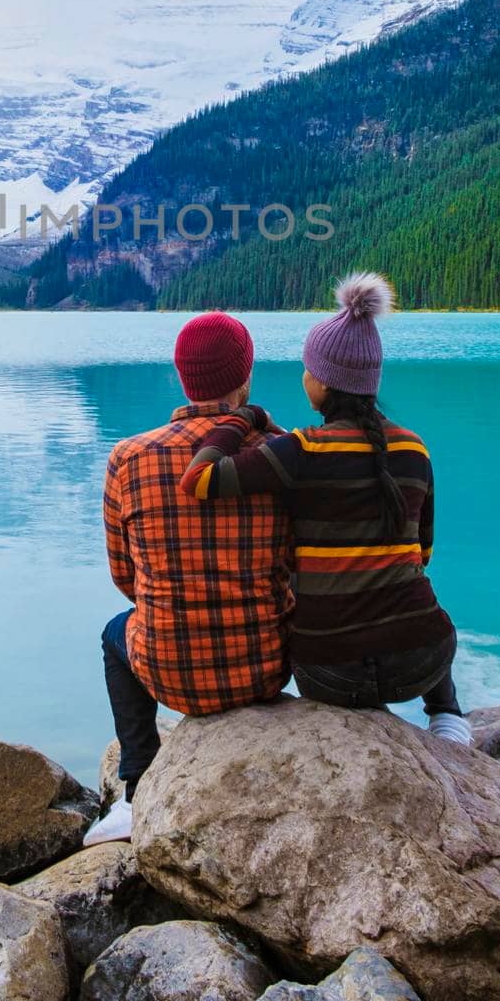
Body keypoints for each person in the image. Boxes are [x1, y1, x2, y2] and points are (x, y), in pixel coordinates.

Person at [179, 272, 471, 745]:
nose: (304, 376)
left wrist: (243, 417)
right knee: (410, 583)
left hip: (329, 676)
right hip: (422, 662)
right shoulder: (415, 448)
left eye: (308, 369)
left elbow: (202, 478)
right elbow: (424, 554)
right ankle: (447, 716)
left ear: (322, 384)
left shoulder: (302, 450)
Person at [84, 311, 294, 845]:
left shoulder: (128, 459)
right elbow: (300, 564)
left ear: (182, 377)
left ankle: (136, 792)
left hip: (169, 672)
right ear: (246, 376)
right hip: (267, 669)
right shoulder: (283, 452)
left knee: (116, 634)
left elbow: (125, 578)